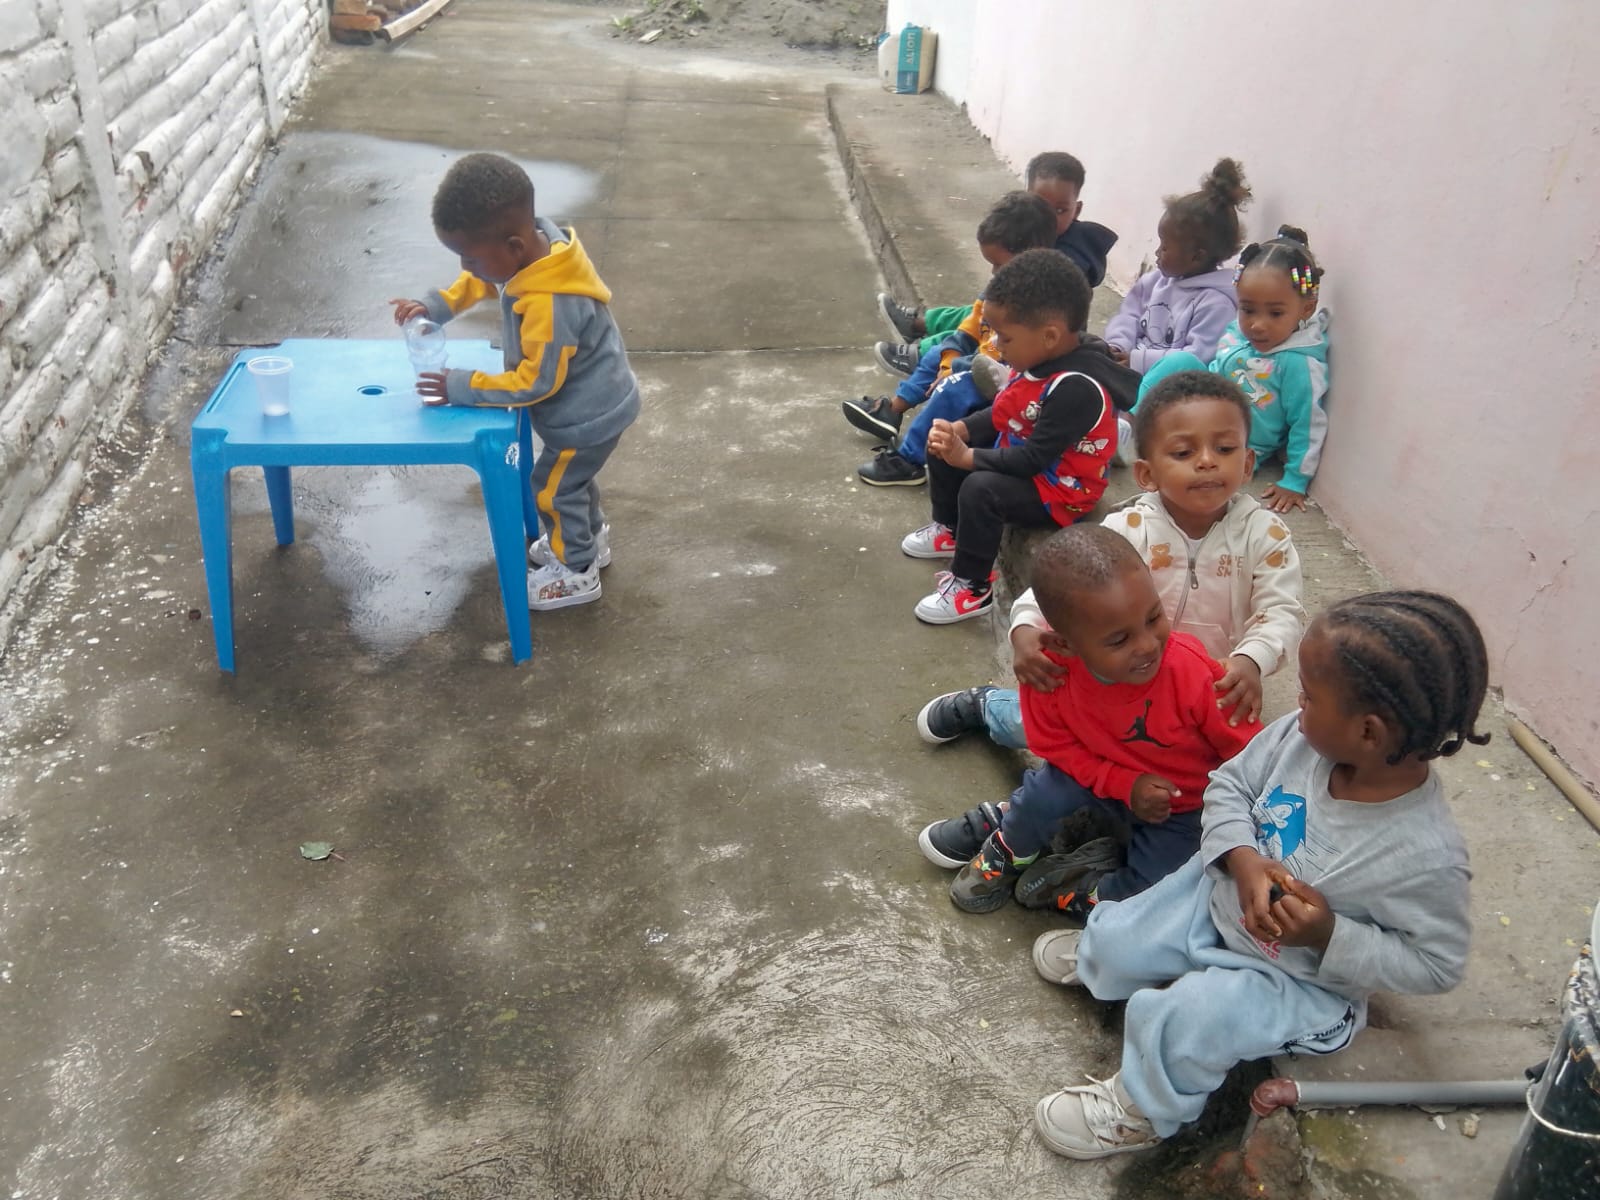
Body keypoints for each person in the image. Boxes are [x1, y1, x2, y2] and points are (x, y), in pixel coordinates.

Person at [1028, 590, 1488, 1161]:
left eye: (1309, 695)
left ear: (1368, 732)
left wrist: (1327, 934)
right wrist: (1243, 858)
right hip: (1220, 899)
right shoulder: (1300, 737)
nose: (1297, 702)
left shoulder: (1426, 856)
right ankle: (1105, 961)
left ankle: (1142, 1109)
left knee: (1191, 1018)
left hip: (1294, 977)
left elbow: (1436, 964)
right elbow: (1230, 785)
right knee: (1120, 934)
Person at [917, 370, 1304, 745]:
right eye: (1183, 452)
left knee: (1222, 764)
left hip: (1209, 685)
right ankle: (992, 708)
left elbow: (1281, 611)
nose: (1207, 461)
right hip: (1117, 678)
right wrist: (1025, 627)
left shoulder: (1264, 536)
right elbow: (1062, 586)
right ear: (1146, 474)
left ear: (1248, 464)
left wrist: (1252, 659)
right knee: (1051, 725)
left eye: (1225, 448)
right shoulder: (1127, 528)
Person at [918, 525, 1263, 916]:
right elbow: (1057, 750)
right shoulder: (1048, 672)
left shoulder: (1193, 672)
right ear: (1064, 644)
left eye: (1154, 617)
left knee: (1161, 885)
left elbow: (1251, 757)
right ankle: (1010, 849)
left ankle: (1089, 888)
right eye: (1119, 640)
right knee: (1041, 797)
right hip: (1093, 777)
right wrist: (1124, 784)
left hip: (1179, 806)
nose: (1147, 645)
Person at [389, 153, 640, 611]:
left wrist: (460, 385)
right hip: (596, 403)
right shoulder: (535, 249)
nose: (467, 266)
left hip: (587, 418)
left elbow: (534, 384)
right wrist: (434, 308)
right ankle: (588, 540)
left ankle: (577, 570)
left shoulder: (551, 303)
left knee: (552, 488)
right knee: (574, 480)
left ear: (513, 246)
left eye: (471, 256)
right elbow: (483, 281)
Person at [899, 249, 1116, 625]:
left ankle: (972, 587)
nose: (997, 345)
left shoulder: (1076, 387)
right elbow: (1003, 413)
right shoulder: (1034, 361)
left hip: (1061, 489)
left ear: (1049, 336)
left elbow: (1033, 459)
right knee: (944, 438)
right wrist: (960, 431)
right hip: (1027, 461)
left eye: (1005, 336)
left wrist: (968, 457)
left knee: (980, 488)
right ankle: (951, 530)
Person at [842, 191, 1058, 487]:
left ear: (1031, 254)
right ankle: (891, 411)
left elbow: (1002, 362)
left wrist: (953, 372)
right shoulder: (999, 288)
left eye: (999, 264)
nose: (994, 272)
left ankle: (909, 460)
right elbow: (967, 332)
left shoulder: (1039, 305)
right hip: (978, 366)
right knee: (937, 354)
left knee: (955, 387)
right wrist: (949, 361)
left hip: (1008, 382)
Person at [1138, 225, 1329, 514]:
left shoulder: (1299, 363)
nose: (1257, 324)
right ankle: (1133, 424)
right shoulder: (1239, 332)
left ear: (1306, 309)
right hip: (1201, 411)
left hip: (1235, 440)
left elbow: (1308, 423)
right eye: (1248, 309)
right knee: (1180, 361)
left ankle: (1161, 448)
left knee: (1191, 459)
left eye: (1275, 313)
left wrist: (1295, 480)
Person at [873, 152, 1119, 375]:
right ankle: (919, 324)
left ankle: (923, 355)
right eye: (1041, 205)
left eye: (1060, 210)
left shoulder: (1070, 260)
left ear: (1077, 210)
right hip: (1013, 323)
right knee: (976, 310)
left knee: (983, 322)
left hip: (1029, 341)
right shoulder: (1031, 233)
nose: (1049, 217)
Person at [1103, 158, 1250, 456]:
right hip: (1131, 368)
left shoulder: (1216, 302)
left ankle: (1126, 428)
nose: (1157, 252)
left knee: (1179, 364)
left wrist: (1137, 360)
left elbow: (1197, 357)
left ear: (1197, 256)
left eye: (1165, 246)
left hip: (1169, 388)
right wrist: (1118, 346)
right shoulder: (1155, 281)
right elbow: (1129, 314)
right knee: (1088, 349)